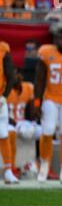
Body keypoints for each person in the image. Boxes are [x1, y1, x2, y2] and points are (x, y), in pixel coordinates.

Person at [34, 28, 62, 185]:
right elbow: (39, 79)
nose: (61, 40)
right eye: (59, 37)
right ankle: (44, 167)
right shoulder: (46, 52)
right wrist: (36, 102)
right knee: (47, 131)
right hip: (50, 99)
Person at [0, 40, 19, 184]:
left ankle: (8, 170)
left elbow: (11, 75)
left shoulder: (3, 49)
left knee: (3, 134)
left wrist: (4, 97)